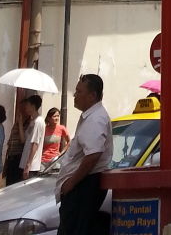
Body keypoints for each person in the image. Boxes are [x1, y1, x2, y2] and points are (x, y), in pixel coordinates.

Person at [55, 73, 113, 235]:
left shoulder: (96, 119)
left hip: (84, 185)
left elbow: (93, 155)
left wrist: (72, 182)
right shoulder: (91, 116)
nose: (75, 95)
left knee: (75, 229)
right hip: (81, 185)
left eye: (79, 92)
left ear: (92, 95)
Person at [19, 96, 45, 179]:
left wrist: (28, 164)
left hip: (32, 166)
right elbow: (24, 140)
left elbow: (35, 144)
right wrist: (20, 123)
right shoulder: (33, 121)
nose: (26, 107)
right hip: (25, 162)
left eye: (27, 105)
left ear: (33, 106)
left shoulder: (38, 122)